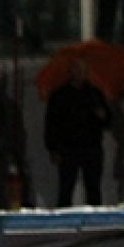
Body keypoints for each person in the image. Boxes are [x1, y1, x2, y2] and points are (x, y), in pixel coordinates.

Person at [44, 59, 114, 207]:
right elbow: (51, 123)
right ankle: (64, 216)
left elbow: (108, 121)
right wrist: (53, 148)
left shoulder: (95, 93)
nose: (79, 73)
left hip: (91, 146)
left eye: (82, 70)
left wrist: (103, 115)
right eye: (75, 70)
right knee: (66, 188)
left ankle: (95, 216)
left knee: (93, 188)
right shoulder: (60, 95)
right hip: (68, 147)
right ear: (70, 72)